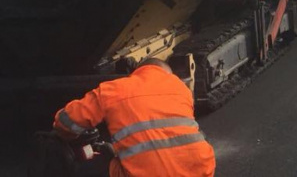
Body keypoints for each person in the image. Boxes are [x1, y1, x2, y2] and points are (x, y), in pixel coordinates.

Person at [53, 58, 216, 176]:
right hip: (202, 171)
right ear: (167, 73)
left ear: (138, 71)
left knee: (88, 167)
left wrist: (66, 134)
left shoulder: (113, 89)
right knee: (199, 135)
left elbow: (66, 122)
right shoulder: (181, 88)